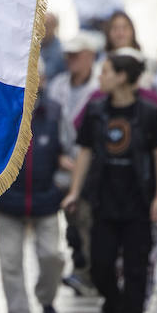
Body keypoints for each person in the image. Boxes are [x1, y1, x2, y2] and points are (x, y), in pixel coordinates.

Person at [62, 52, 157, 313]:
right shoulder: (96, 110)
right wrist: (74, 191)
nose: (101, 77)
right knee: (100, 265)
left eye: (106, 71)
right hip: (103, 199)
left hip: (138, 200)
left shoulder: (147, 112)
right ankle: (113, 305)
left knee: (136, 267)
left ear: (122, 76)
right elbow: (84, 151)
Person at [0, 94, 66, 313]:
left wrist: (62, 185)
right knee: (9, 261)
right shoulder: (0, 106)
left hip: (45, 200)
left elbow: (71, 151)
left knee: (51, 255)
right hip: (8, 202)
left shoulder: (54, 112)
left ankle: (46, 297)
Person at [47, 32, 100, 291]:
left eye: (76, 55)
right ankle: (81, 268)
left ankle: (88, 271)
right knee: (71, 225)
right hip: (62, 165)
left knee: (87, 220)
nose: (71, 59)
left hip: (91, 168)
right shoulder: (57, 85)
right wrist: (57, 155)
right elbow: (49, 124)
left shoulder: (100, 86)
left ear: (90, 56)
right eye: (68, 54)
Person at [39, 12, 66, 83]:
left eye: (46, 25)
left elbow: (44, 75)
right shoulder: (37, 45)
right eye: (41, 25)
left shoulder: (59, 51)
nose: (43, 29)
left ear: (55, 27)